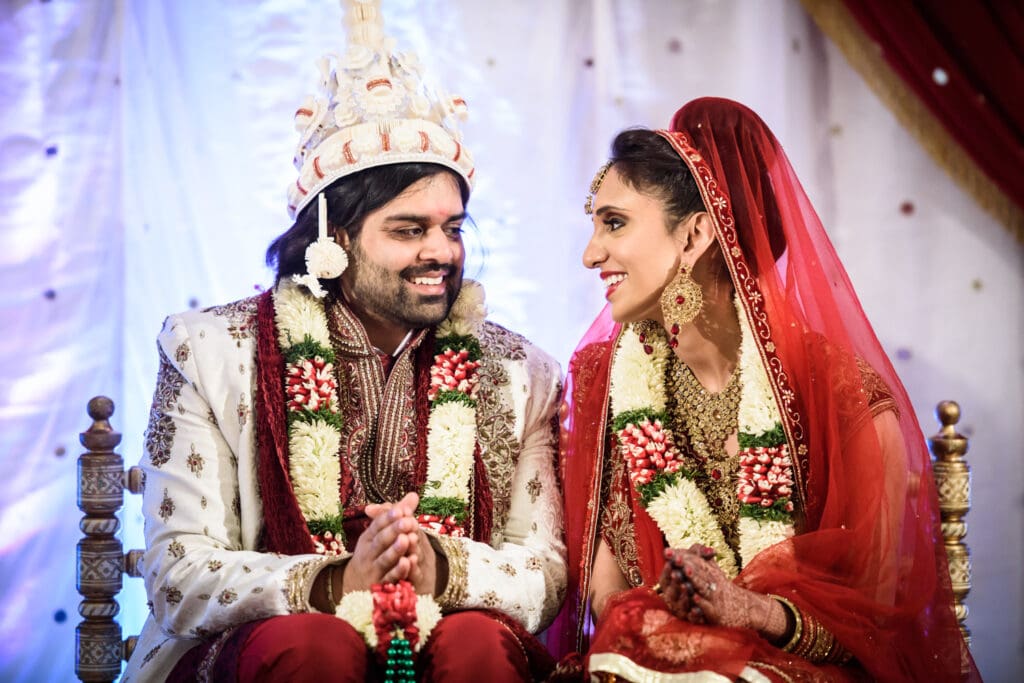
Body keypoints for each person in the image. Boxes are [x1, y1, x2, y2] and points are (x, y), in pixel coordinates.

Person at [121, 3, 565, 681]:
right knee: (315, 646)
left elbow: (544, 570)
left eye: (453, 227)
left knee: (475, 643)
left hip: (449, 635)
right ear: (334, 236)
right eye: (408, 229)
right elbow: (179, 573)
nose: (441, 251)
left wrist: (438, 565)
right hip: (272, 648)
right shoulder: (209, 352)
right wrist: (334, 582)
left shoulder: (519, 371)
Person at [553, 98, 979, 681]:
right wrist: (674, 609)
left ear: (696, 234)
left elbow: (880, 626)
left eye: (615, 223)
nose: (590, 253)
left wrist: (749, 611)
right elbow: (604, 591)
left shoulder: (842, 398)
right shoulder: (604, 380)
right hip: (648, 656)